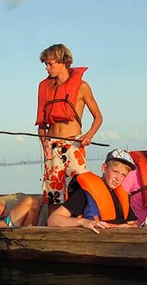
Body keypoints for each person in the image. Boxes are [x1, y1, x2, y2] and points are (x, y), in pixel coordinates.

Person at [35, 43, 103, 213]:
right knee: (53, 195)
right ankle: (53, 227)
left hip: (74, 144)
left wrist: (89, 135)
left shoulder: (82, 86)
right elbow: (41, 124)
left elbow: (98, 117)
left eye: (50, 64)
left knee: (78, 190)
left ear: (63, 62)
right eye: (45, 64)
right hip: (51, 146)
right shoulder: (44, 87)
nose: (47, 68)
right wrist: (44, 144)